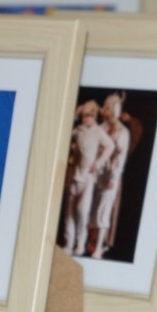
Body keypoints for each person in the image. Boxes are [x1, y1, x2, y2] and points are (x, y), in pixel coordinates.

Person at [62, 99, 115, 257]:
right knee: (69, 212)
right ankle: (69, 243)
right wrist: (75, 115)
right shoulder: (79, 129)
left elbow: (110, 145)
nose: (86, 119)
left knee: (82, 211)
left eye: (88, 116)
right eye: (84, 116)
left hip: (88, 177)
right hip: (75, 175)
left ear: (94, 116)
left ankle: (80, 244)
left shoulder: (98, 131)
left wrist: (98, 163)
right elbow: (64, 132)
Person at [90, 92, 130, 259]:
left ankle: (99, 247)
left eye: (108, 108)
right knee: (92, 210)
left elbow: (120, 159)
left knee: (104, 211)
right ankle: (90, 244)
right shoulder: (101, 128)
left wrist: (113, 178)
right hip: (97, 175)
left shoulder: (123, 132)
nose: (104, 110)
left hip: (110, 177)